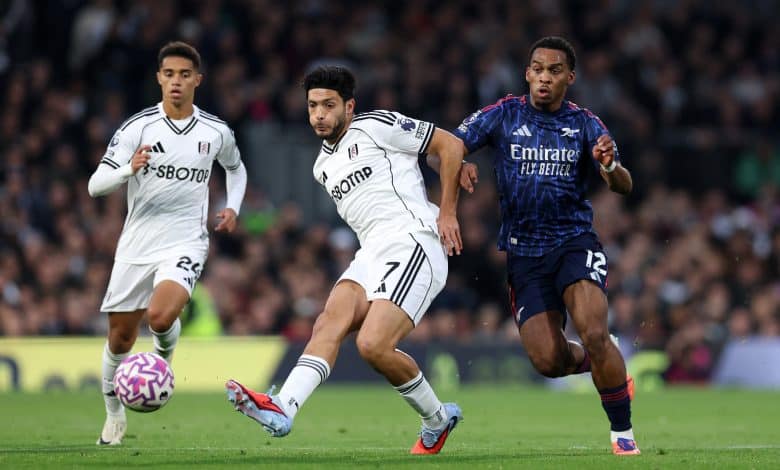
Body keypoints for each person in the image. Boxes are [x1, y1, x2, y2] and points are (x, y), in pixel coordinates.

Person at [226, 66, 464, 454]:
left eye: (328, 105)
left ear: (349, 106)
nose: (319, 114)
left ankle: (436, 419)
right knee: (328, 322)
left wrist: (448, 211)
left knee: (373, 345)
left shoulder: (374, 125)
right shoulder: (322, 167)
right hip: (370, 252)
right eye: (312, 106)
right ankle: (284, 407)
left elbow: (449, 146)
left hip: (413, 240)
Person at [452, 37, 640, 455]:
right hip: (524, 253)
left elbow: (624, 184)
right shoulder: (503, 114)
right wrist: (457, 159)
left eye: (554, 71)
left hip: (573, 241)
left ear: (569, 78)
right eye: (537, 68)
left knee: (593, 330)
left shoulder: (587, 124)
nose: (544, 77)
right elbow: (444, 145)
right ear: (527, 73)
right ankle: (603, 364)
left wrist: (610, 166)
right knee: (548, 362)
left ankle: (622, 433)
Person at [88, 41, 247, 445]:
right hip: (137, 242)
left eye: (184, 75)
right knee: (120, 338)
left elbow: (236, 168)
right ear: (159, 78)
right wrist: (128, 168)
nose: (177, 82)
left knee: (159, 317)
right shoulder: (137, 128)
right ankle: (113, 414)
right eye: (169, 74)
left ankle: (163, 357)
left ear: (197, 80)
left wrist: (233, 207)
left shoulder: (215, 131)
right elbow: (94, 186)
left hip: (186, 239)